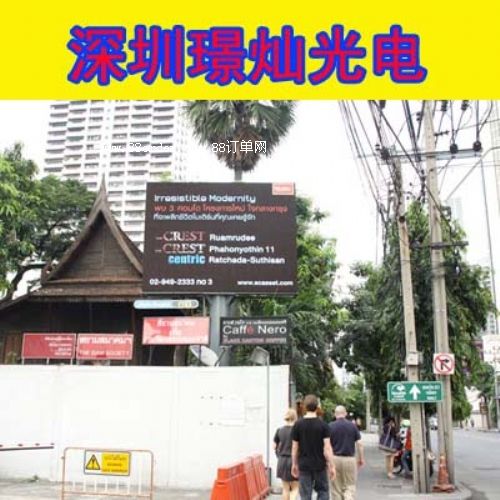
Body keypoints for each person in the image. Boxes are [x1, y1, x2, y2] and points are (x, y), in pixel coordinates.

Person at [291, 394, 336, 500]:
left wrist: (294, 463)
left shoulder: (298, 425)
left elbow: (294, 447)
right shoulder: (323, 425)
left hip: (304, 465)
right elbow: (327, 448)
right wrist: (332, 465)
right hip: (320, 465)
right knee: (323, 491)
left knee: (305, 495)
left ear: (304, 406)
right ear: (317, 407)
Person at [329, 405, 365, 500]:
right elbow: (360, 444)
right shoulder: (352, 426)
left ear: (335, 414)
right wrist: (361, 458)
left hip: (335, 459)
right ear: (345, 414)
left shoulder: (330, 426)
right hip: (349, 459)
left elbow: (327, 445)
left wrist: (328, 462)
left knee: (336, 488)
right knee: (349, 486)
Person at [274, 409, 299, 500]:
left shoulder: (279, 430)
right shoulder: (297, 430)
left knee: (285, 489)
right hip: (294, 460)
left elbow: (274, 446)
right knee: (295, 488)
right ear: (295, 417)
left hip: (282, 461)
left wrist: (279, 455)